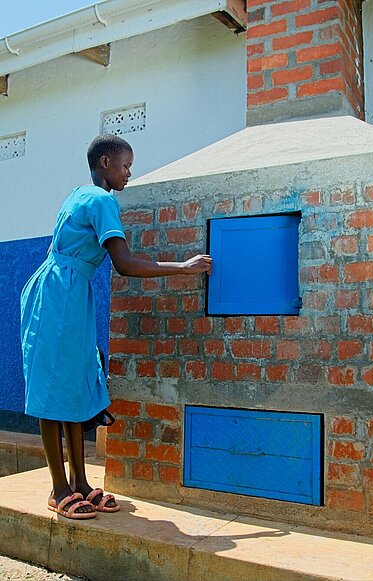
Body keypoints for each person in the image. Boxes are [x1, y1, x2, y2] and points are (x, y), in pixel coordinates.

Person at [20, 134, 212, 519]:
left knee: (76, 383)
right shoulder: (103, 200)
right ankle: (59, 490)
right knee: (53, 387)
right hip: (60, 297)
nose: (129, 173)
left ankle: (80, 484)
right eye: (125, 165)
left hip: (62, 292)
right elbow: (123, 263)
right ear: (105, 162)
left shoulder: (79, 194)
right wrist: (182, 267)